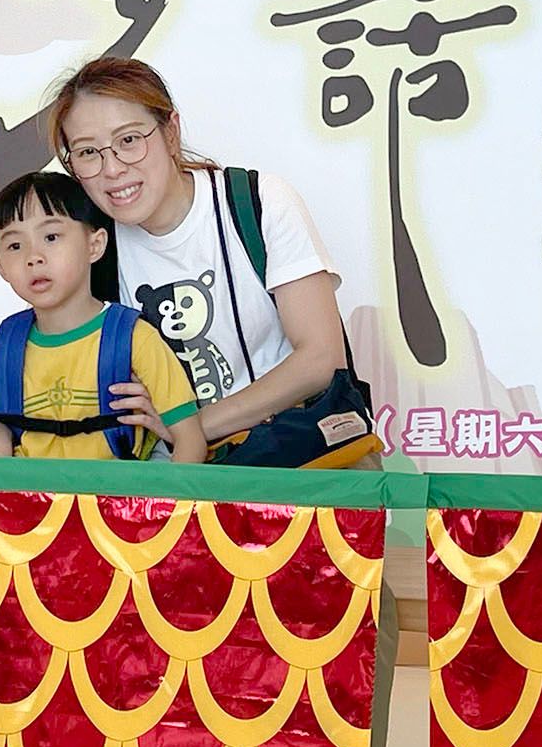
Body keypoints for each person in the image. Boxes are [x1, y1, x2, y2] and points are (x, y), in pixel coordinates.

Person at [48, 56, 365, 461]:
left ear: (170, 132)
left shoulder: (257, 202)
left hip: (296, 457)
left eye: (129, 140)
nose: (112, 169)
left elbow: (321, 358)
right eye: (88, 152)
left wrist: (190, 429)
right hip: (170, 477)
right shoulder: (91, 246)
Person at [0, 171, 205, 463]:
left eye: (51, 237)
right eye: (15, 246)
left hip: (117, 493)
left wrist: (161, 495)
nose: (34, 257)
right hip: (25, 494)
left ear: (95, 245)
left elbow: (190, 441)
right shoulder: (1, 354)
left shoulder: (135, 338)